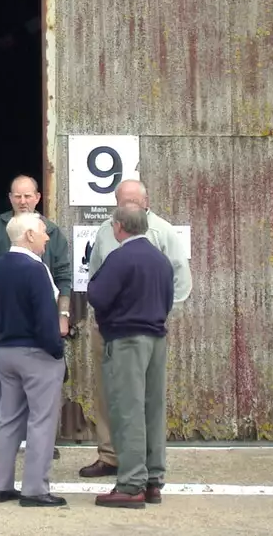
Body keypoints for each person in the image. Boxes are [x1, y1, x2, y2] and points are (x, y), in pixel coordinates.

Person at [79, 179, 193, 480]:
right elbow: (95, 275)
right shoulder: (105, 230)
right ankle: (110, 455)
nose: (127, 208)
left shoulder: (164, 231)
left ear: (146, 201)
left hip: (142, 330)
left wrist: (155, 313)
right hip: (108, 328)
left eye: (132, 202)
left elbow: (180, 279)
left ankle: (135, 473)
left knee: (139, 401)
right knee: (108, 396)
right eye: (122, 202)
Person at [0, 174, 73, 458]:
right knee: (4, 378)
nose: (23, 201)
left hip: (43, 315)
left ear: (38, 197)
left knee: (42, 375)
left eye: (28, 195)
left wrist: (63, 314)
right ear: (10, 198)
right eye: (17, 196)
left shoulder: (50, 231)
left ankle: (41, 441)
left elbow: (65, 274)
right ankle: (5, 438)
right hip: (1, 316)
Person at [87, 203, 176, 508]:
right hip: (156, 339)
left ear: (120, 226)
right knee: (153, 409)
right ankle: (153, 481)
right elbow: (168, 300)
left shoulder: (120, 258)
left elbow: (97, 296)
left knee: (128, 410)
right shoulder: (161, 261)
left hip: (126, 340)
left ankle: (130, 483)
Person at [0, 213, 68, 507]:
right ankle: (34, 489)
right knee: (41, 421)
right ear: (30, 235)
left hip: (7, 349)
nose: (48, 237)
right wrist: (57, 351)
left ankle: (2, 486)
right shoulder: (36, 269)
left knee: (7, 420)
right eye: (44, 232)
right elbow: (46, 316)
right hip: (36, 352)